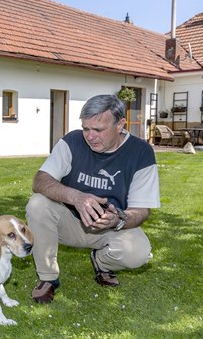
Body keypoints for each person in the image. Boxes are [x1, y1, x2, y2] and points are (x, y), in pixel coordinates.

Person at [26, 94, 160, 304]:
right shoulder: (72, 141)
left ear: (120, 125)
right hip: (68, 222)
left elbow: (142, 211)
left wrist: (119, 219)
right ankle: (48, 278)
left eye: (98, 130)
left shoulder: (140, 152)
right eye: (86, 128)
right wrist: (75, 196)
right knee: (37, 203)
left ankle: (101, 263)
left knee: (139, 253)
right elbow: (40, 180)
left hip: (111, 228)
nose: (90, 136)